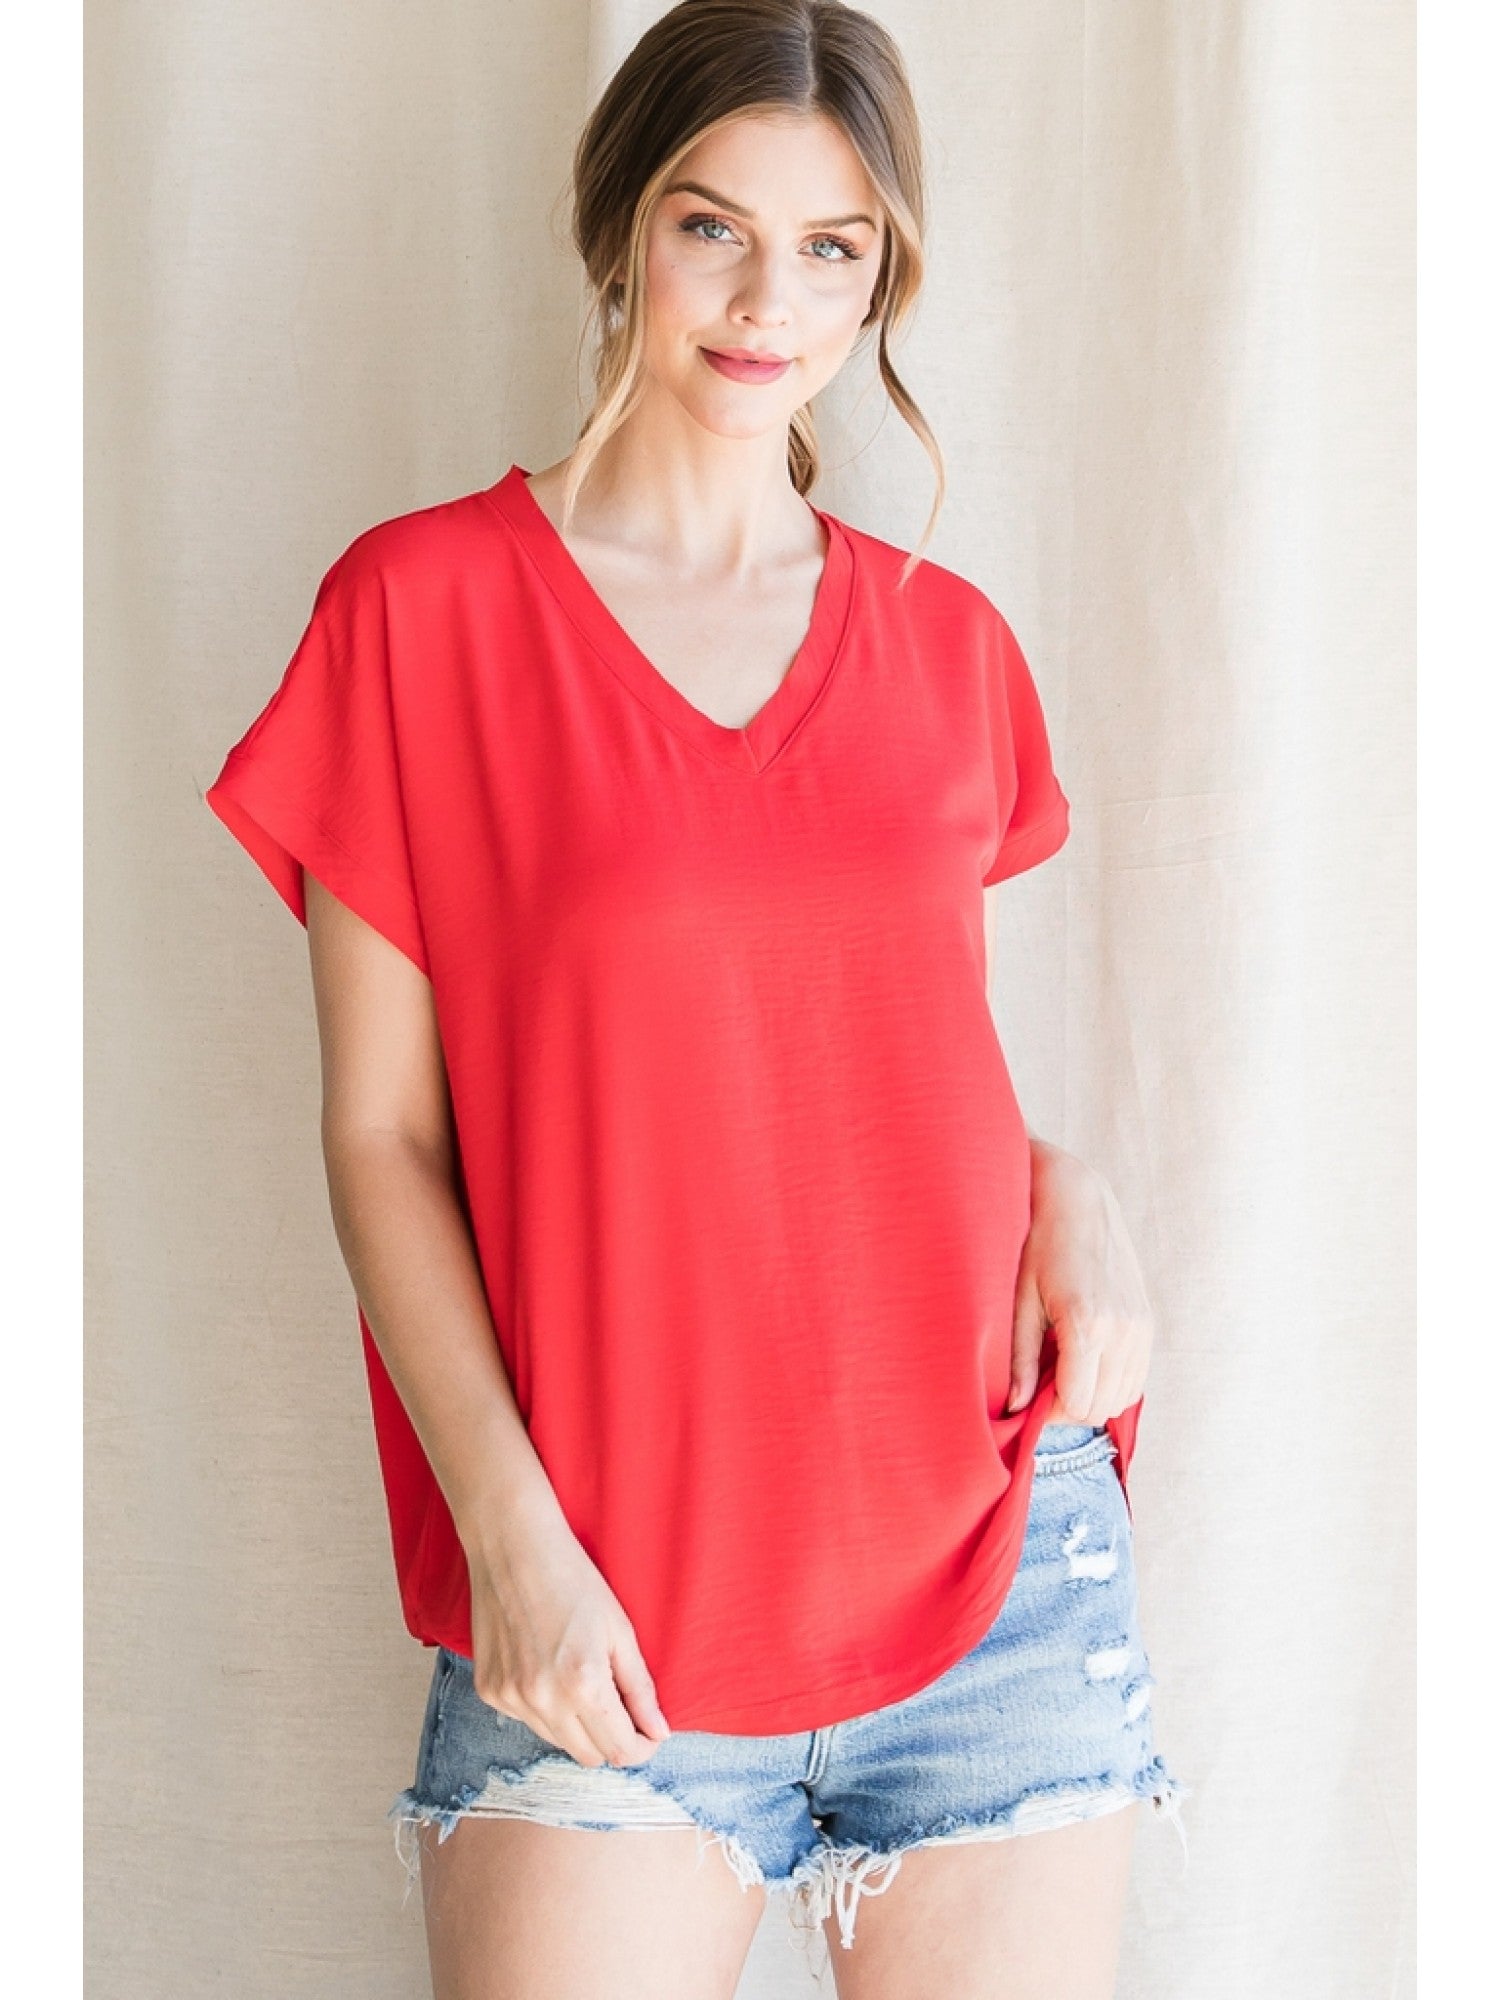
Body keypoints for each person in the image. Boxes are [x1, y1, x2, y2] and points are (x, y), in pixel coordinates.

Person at [205, 2, 1189, 1993]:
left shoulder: (946, 647)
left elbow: (877, 1068)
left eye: (833, 248)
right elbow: (381, 1136)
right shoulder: (421, 613)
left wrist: (1066, 1185)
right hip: (601, 1601)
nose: (768, 303)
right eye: (711, 227)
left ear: (887, 276)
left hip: (990, 1577)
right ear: (619, 227)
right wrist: (514, 1541)